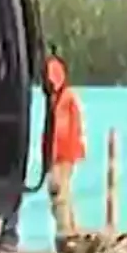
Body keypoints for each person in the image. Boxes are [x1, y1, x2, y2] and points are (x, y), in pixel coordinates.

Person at [43, 54, 85, 240]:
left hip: (63, 153)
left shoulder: (66, 98)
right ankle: (70, 231)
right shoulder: (56, 99)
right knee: (62, 195)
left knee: (60, 196)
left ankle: (65, 233)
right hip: (58, 153)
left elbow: (69, 128)